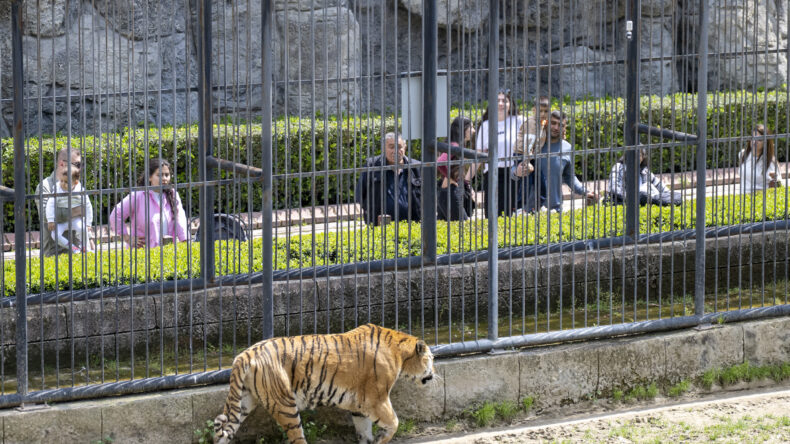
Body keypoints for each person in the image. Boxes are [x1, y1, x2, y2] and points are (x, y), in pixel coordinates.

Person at [109, 158, 189, 248]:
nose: (164, 178)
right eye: (160, 175)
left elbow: (180, 218)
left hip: (168, 250)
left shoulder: (173, 194)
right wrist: (127, 238)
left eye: (167, 175)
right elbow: (116, 215)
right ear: (150, 177)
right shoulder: (138, 196)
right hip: (143, 252)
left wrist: (184, 240)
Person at [531, 110, 598, 212]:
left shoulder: (567, 148)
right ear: (546, 123)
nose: (556, 128)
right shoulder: (534, 144)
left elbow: (569, 176)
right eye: (553, 123)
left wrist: (585, 192)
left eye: (560, 125)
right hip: (531, 209)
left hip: (555, 209)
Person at [35, 148, 95, 256]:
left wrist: (89, 238)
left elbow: (86, 209)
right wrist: (77, 211)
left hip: (78, 252)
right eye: (77, 164)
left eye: (81, 165)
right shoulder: (45, 186)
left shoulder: (75, 183)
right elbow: (45, 215)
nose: (79, 168)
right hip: (55, 253)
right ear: (62, 164)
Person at [475, 88, 523, 218]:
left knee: (512, 214)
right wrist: (467, 179)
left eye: (504, 101)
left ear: (510, 104)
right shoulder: (486, 125)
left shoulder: (518, 121)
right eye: (497, 101)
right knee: (492, 215)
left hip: (514, 172)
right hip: (492, 174)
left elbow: (530, 143)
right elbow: (479, 155)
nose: (501, 104)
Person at [355, 133, 422, 225]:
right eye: (391, 147)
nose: (395, 151)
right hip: (380, 226)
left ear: (405, 147)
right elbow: (360, 194)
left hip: (413, 225)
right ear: (383, 148)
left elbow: (428, 196)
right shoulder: (372, 166)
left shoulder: (417, 167)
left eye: (399, 147)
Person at [511, 96, 551, 212]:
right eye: (540, 111)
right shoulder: (532, 124)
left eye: (546, 111)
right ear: (534, 110)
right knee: (526, 181)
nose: (543, 113)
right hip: (523, 154)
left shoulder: (542, 123)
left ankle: (539, 205)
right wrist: (526, 162)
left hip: (533, 155)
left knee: (540, 180)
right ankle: (519, 208)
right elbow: (528, 144)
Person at [608, 147, 682, 206]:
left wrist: (668, 195)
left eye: (639, 155)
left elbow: (662, 187)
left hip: (649, 198)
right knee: (644, 194)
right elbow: (614, 189)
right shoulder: (619, 167)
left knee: (676, 196)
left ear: (643, 157)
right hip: (628, 200)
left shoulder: (644, 171)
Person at [437, 116, 476, 221]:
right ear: (463, 129)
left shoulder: (455, 145)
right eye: (471, 127)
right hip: (451, 193)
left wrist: (466, 185)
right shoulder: (454, 145)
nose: (473, 130)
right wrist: (450, 178)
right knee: (463, 227)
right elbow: (440, 163)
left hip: (448, 193)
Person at [740, 124, 782, 194]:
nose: (754, 141)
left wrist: (775, 178)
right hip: (743, 197)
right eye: (753, 138)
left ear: (765, 143)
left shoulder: (770, 161)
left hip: (760, 196)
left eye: (759, 140)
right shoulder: (743, 154)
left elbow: (779, 183)